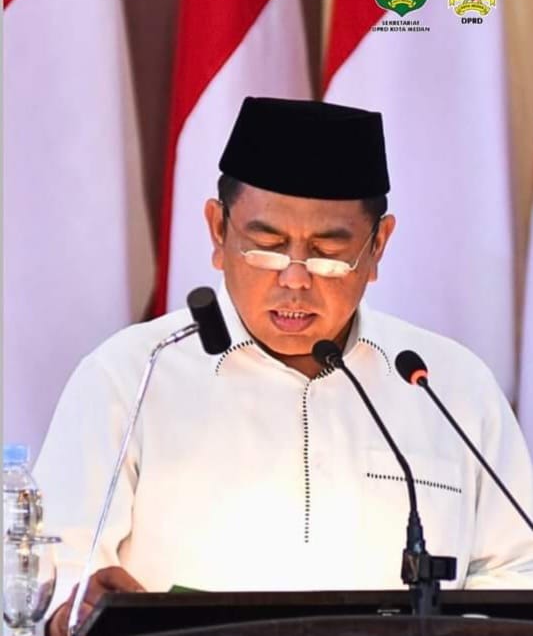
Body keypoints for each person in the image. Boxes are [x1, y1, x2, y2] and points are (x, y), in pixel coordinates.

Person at [35, 98, 533, 636]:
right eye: (266, 246)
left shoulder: (446, 385)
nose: (295, 278)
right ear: (218, 232)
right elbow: (56, 571)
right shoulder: (130, 375)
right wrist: (69, 610)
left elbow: (516, 569)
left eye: (327, 253)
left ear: (378, 246)